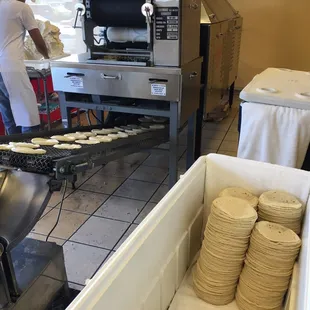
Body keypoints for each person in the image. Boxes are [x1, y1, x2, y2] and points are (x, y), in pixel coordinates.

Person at [0, 0, 49, 134]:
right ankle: (30, 149)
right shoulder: (22, 8)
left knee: (7, 112)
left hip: (4, 65)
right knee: (27, 111)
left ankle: (14, 151)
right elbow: (37, 40)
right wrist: (48, 57)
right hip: (11, 66)